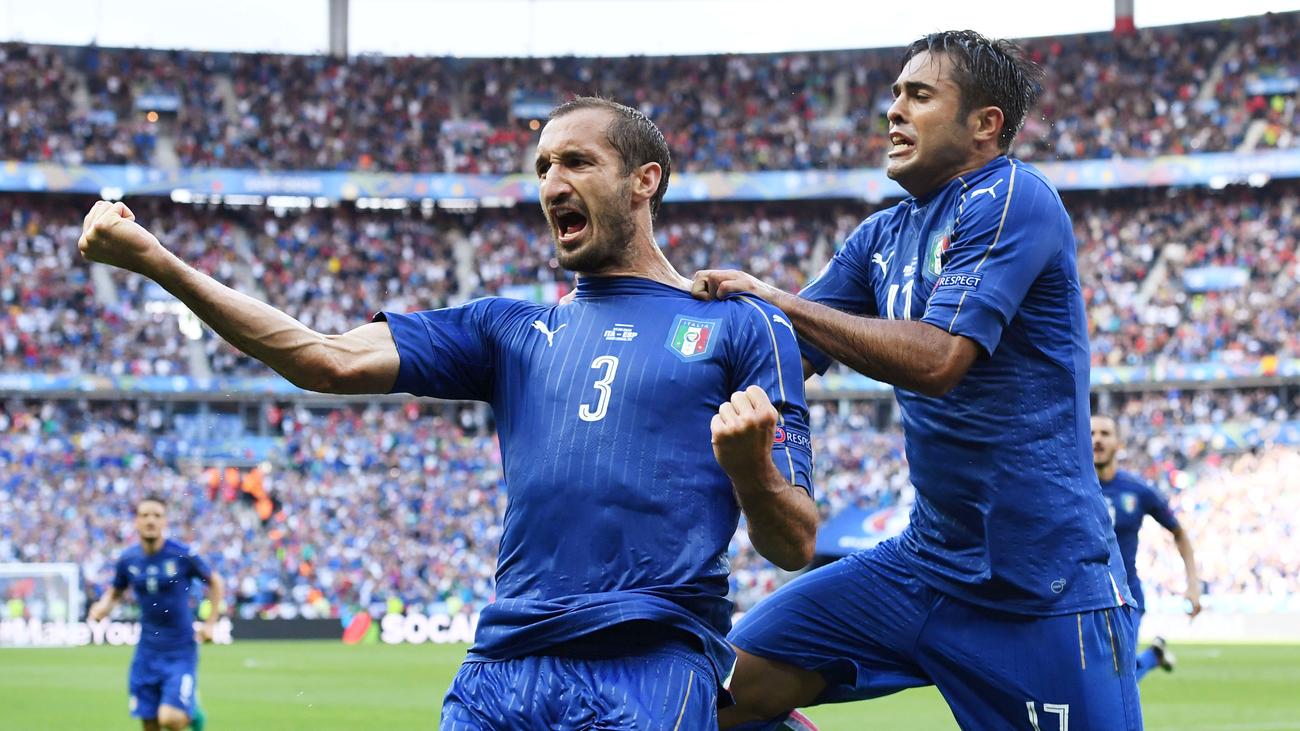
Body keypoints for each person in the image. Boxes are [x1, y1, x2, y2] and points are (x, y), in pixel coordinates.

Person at [77, 96, 818, 730]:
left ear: (643, 181)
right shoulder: (507, 329)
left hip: (647, 662)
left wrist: (750, 469)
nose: (552, 183)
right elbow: (322, 358)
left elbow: (793, 542)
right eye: (542, 168)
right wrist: (155, 261)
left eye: (576, 162)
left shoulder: (741, 325)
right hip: (500, 669)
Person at [693, 30, 1141, 730]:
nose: (894, 110)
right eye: (896, 93)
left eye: (920, 95)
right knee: (715, 693)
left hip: (1045, 589)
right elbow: (780, 354)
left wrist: (777, 299)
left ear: (985, 124)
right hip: (923, 567)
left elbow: (938, 361)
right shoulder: (881, 236)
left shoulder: (1013, 195)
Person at [88, 495, 223, 731]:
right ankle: (185, 702)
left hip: (180, 648)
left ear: (165, 521)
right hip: (147, 650)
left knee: (170, 718)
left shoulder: (182, 554)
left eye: (157, 515)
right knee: (150, 724)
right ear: (136, 521)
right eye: (145, 515)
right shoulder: (128, 559)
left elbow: (214, 581)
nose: (151, 520)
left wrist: (210, 623)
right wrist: (103, 606)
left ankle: (193, 712)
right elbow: (116, 592)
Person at [1091, 414, 1202, 679]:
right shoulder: (1072, 489)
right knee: (1096, 675)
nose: (1097, 439)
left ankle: (1149, 660)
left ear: (1118, 443)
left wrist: (1193, 585)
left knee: (1119, 676)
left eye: (1105, 433)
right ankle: (1153, 657)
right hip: (1084, 595)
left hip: (1126, 596)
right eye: (1092, 433)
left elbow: (1179, 532)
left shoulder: (1138, 490)